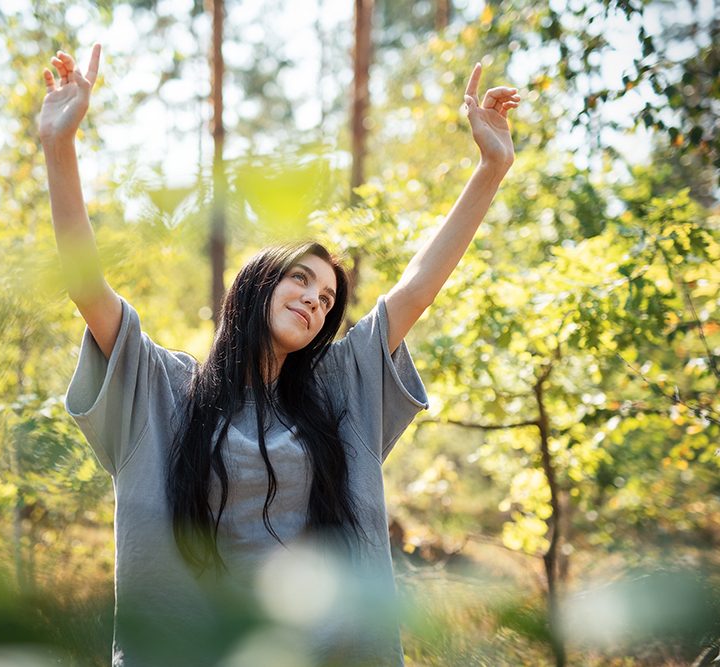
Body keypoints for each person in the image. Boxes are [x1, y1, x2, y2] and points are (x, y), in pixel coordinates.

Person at [39, 44, 519, 667]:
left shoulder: (339, 390)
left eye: (326, 298)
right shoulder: (164, 389)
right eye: (301, 280)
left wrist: (491, 167)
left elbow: (417, 289)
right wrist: (59, 144)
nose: (317, 301)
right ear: (258, 283)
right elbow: (87, 288)